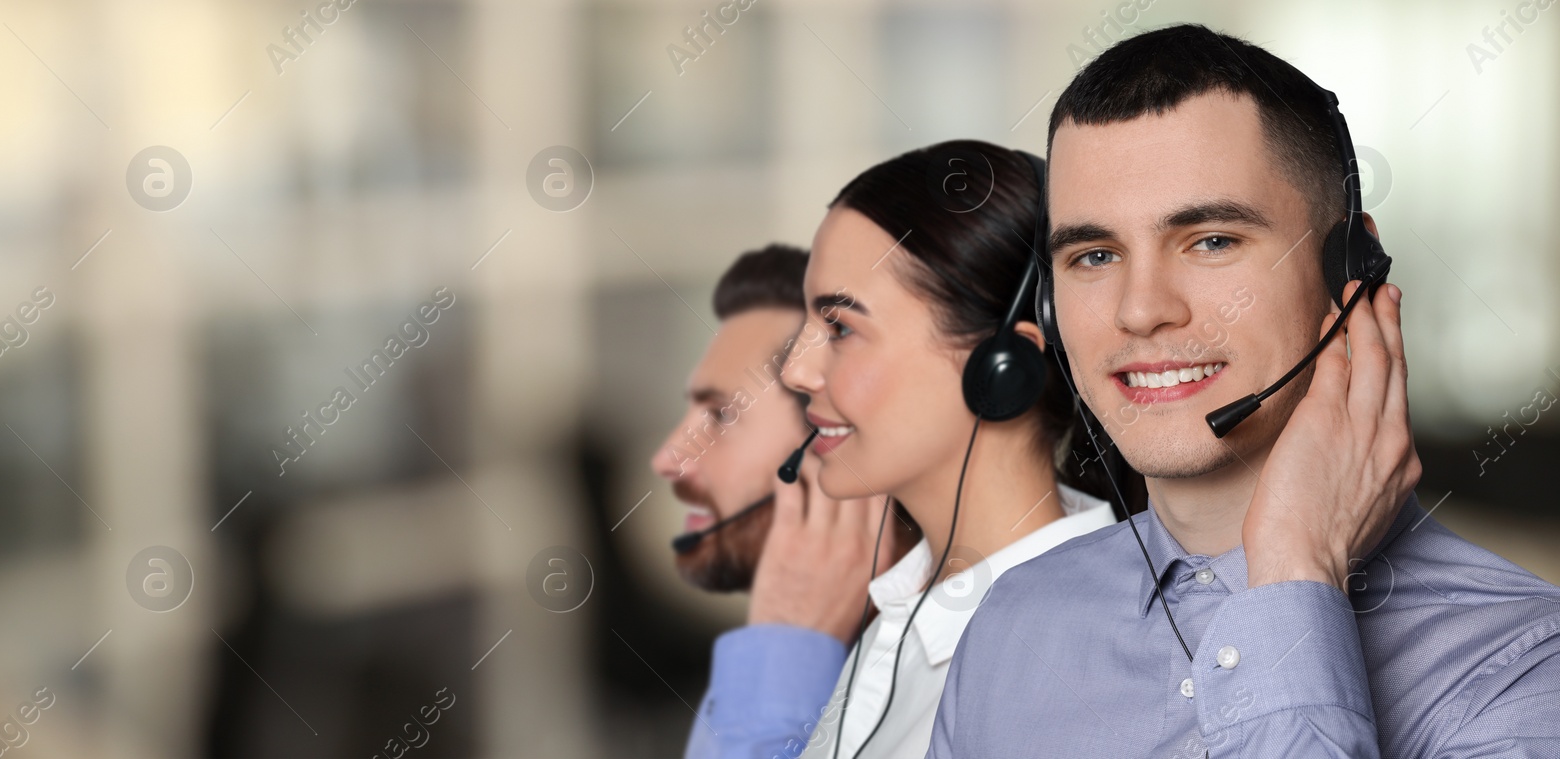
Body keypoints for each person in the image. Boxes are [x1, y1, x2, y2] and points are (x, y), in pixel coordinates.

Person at [929, 24, 1560, 759]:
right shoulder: (1014, 624)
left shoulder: (1523, 667)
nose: (1141, 309)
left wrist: (1295, 572)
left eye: (1211, 241)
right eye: (1095, 254)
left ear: (1349, 271)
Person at [778, 140, 1126, 759]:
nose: (796, 372)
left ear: (1001, 366)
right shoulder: (904, 609)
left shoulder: (1076, 660)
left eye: (839, 328)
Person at [651, 244, 918, 759]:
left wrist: (786, 652)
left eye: (722, 418)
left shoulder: (955, 688)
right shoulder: (765, 659)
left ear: (836, 443)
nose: (668, 459)